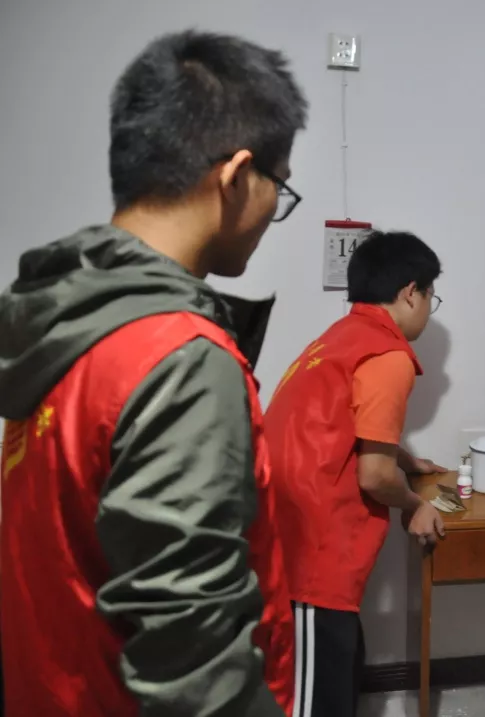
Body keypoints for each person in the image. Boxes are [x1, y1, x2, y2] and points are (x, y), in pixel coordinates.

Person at [0, 30, 308, 717]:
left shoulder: (66, 321)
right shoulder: (179, 358)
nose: (274, 213)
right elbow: (195, 662)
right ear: (235, 177)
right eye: (280, 186)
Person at [263, 230, 447, 717]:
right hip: (313, 551)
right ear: (411, 292)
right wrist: (416, 503)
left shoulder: (341, 337)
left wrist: (406, 460)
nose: (430, 309)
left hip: (284, 529)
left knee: (340, 669)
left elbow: (342, 424)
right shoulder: (388, 356)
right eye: (432, 296)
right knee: (315, 699)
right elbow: (373, 477)